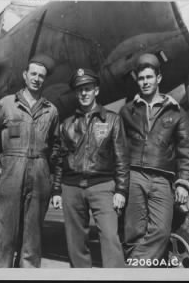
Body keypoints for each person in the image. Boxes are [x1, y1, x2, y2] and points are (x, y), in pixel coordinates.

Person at [0, 54, 60, 268]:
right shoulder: (6, 104)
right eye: (33, 74)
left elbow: (56, 146)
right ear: (25, 75)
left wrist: (49, 175)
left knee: (32, 239)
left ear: (45, 80)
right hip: (11, 172)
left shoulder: (51, 111)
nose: (36, 78)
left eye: (41, 76)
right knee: (6, 234)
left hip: (40, 173)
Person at [120, 53, 189, 265]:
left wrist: (183, 182)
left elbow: (186, 150)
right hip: (134, 176)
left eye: (149, 77)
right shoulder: (127, 111)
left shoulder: (177, 112)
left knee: (161, 230)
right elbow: (119, 149)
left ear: (158, 79)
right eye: (141, 78)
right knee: (132, 231)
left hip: (163, 179)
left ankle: (133, 268)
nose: (144, 82)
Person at [51, 68, 129, 268]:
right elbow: (60, 160)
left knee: (111, 238)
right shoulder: (66, 124)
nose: (84, 93)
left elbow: (121, 158)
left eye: (88, 88)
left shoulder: (113, 120)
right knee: (75, 243)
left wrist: (121, 190)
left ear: (96, 90)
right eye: (80, 90)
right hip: (72, 188)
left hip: (103, 186)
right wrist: (57, 190)